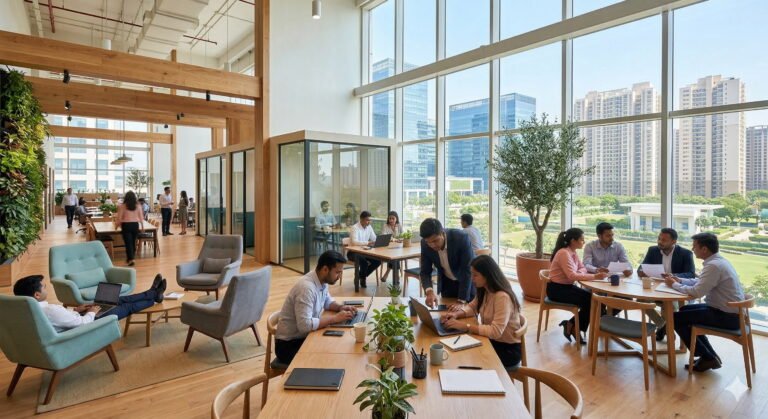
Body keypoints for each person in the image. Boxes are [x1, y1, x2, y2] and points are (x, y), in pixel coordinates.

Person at [665, 233, 745, 372]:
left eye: (695, 246)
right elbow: (701, 282)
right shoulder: (718, 262)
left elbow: (697, 292)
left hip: (728, 316)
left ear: (704, 249)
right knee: (683, 312)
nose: (692, 249)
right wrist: (679, 280)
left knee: (675, 318)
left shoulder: (714, 266)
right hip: (727, 311)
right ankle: (709, 356)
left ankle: (707, 357)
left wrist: (673, 285)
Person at [274, 251, 357, 364]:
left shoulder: (321, 280)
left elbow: (327, 302)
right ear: (325, 269)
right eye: (337, 272)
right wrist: (334, 319)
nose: (339, 276)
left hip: (304, 336)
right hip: (288, 345)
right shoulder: (306, 288)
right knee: (327, 358)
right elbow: (305, 325)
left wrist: (341, 307)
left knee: (336, 347)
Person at [440, 255, 523, 370]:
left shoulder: (502, 297)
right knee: (460, 353)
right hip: (492, 341)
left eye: (475, 275)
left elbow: (495, 331)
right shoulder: (484, 289)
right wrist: (456, 314)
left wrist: (465, 326)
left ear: (487, 276)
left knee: (465, 356)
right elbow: (473, 307)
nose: (472, 278)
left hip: (507, 349)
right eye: (472, 274)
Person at [13, 274, 167, 332]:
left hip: (82, 316)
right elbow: (81, 324)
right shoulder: (50, 310)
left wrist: (77, 309)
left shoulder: (27, 309)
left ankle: (153, 292)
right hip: (92, 322)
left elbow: (62, 320)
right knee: (127, 306)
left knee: (119, 299)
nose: (46, 288)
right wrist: (92, 312)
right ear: (37, 294)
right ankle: (154, 297)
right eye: (44, 287)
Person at [548, 228, 608, 344]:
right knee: (592, 301)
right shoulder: (564, 253)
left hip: (566, 287)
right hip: (557, 290)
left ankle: (571, 324)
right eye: (582, 239)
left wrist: (578, 274)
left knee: (594, 300)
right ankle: (574, 327)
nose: (583, 242)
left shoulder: (572, 252)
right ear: (573, 240)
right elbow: (571, 275)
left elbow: (582, 268)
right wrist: (595, 277)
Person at [638, 227, 696, 340]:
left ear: (674, 241)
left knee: (671, 306)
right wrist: (641, 271)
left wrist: (674, 276)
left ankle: (663, 329)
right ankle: (663, 326)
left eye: (664, 240)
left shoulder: (685, 253)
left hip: (674, 288)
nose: (660, 242)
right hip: (655, 288)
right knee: (641, 301)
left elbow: (691, 274)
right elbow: (641, 267)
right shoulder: (652, 250)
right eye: (659, 238)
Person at [419, 218, 476, 308]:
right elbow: (425, 272)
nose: (432, 245)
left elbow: (467, 270)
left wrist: (461, 301)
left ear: (442, 233)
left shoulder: (461, 238)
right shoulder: (425, 244)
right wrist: (429, 292)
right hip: (447, 284)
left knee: (469, 316)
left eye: (435, 241)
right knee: (447, 315)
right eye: (428, 242)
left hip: (467, 283)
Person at [349, 211, 381, 288]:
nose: (369, 222)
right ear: (361, 219)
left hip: (365, 252)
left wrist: (378, 241)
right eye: (367, 220)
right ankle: (362, 278)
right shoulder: (355, 228)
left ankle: (360, 276)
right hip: (353, 252)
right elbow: (354, 242)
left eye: (370, 220)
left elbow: (374, 238)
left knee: (377, 261)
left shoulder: (369, 227)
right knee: (364, 262)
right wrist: (367, 243)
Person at [115, 190, 145, 266]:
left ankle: (131, 259)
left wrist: (116, 225)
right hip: (135, 225)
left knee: (128, 243)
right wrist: (142, 227)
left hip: (126, 226)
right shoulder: (138, 206)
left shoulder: (122, 206)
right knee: (133, 242)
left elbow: (119, 217)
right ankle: (131, 258)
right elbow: (141, 217)